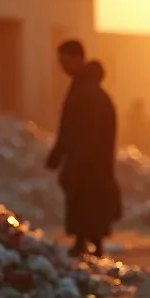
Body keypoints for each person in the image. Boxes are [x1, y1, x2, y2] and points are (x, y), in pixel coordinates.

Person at [46, 41, 122, 258]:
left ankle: (90, 244)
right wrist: (57, 154)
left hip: (90, 159)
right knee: (85, 200)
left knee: (88, 199)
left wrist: (76, 159)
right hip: (86, 158)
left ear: (77, 58)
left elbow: (84, 130)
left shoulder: (87, 91)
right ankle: (86, 242)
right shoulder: (81, 87)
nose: (62, 67)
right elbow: (68, 125)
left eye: (64, 61)